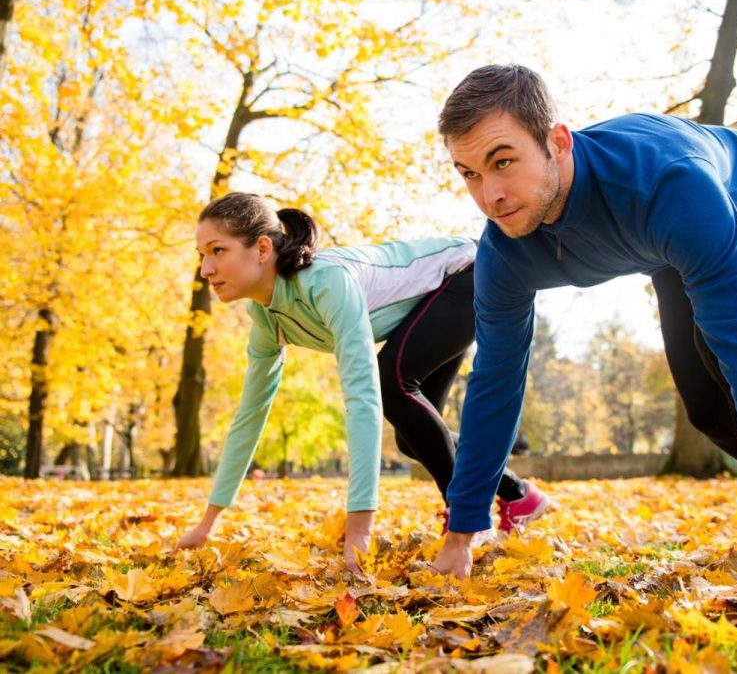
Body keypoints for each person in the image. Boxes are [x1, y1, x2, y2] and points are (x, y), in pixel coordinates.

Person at [427, 64, 737, 616]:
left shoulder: (668, 187)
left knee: (721, 355)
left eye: (503, 161)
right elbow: (495, 385)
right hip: (658, 242)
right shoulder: (505, 251)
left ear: (557, 143)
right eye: (468, 173)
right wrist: (461, 537)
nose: (489, 195)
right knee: (704, 409)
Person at [175, 192, 548, 570]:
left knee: (391, 385)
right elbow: (250, 416)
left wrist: (360, 531)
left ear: (262, 248)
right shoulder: (267, 319)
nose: (205, 269)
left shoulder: (326, 283)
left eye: (217, 250)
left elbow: (362, 396)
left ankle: (466, 519)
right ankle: (519, 496)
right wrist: (208, 524)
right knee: (412, 436)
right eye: (201, 255)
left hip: (468, 273)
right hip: (439, 296)